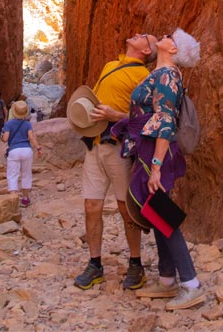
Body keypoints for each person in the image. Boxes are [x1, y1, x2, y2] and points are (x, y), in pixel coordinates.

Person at [113, 27, 204, 310]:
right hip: (150, 147)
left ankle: (191, 284)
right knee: (154, 212)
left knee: (161, 213)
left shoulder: (167, 75)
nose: (164, 37)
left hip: (157, 150)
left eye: (169, 37)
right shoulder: (162, 74)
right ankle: (167, 280)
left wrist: (155, 167)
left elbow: (164, 121)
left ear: (173, 50)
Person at [68, 32, 158, 291]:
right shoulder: (110, 65)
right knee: (91, 205)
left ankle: (135, 264)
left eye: (145, 37)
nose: (138, 34)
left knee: (125, 207)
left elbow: (146, 117)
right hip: (94, 145)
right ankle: (95, 264)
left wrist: (114, 114)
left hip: (120, 149)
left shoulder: (143, 77)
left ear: (145, 52)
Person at [2, 99, 43, 206]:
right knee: (26, 174)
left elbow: (5, 139)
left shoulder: (9, 124)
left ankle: (13, 198)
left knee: (12, 174)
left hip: (14, 150)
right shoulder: (27, 124)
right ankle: (25, 198)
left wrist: (3, 136)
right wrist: (38, 148)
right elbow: (31, 138)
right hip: (27, 150)